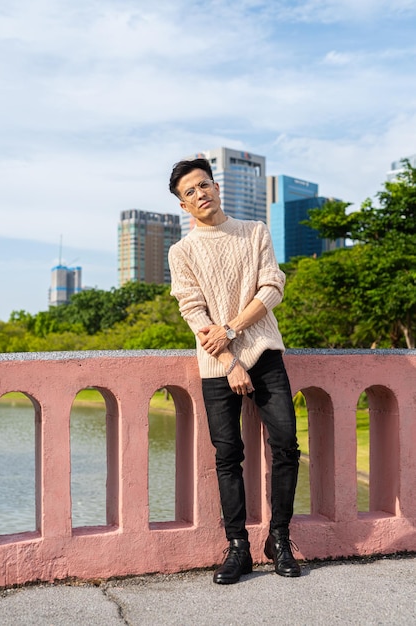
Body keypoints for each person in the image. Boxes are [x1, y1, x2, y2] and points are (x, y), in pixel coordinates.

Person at [168, 157, 301, 584]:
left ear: (217, 187)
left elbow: (272, 286)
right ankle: (238, 547)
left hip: (264, 352)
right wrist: (228, 362)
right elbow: (193, 310)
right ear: (184, 206)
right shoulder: (182, 251)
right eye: (190, 192)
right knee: (228, 456)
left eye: (204, 184)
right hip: (216, 365)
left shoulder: (255, 230)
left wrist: (232, 331)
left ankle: (278, 539)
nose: (200, 193)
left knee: (286, 445)